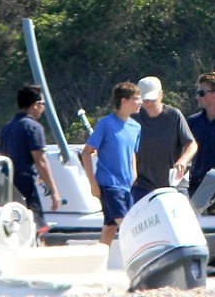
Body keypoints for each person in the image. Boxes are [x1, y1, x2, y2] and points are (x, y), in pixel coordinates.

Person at [81, 82, 142, 246]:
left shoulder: (136, 127)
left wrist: (134, 174)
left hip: (126, 185)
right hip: (109, 184)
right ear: (124, 101)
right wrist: (93, 183)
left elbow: (132, 153)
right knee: (127, 225)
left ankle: (99, 262)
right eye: (136, 99)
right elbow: (86, 153)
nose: (140, 102)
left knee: (110, 227)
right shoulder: (105, 124)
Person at [0, 84, 62, 231]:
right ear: (35, 105)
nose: (43, 108)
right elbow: (40, 161)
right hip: (26, 185)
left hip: (7, 185)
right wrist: (54, 191)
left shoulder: (7, 127)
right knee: (37, 228)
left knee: (14, 229)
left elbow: (3, 158)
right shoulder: (33, 127)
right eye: (42, 104)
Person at [130, 76, 198, 202]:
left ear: (161, 95)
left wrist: (183, 160)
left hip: (173, 185)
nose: (148, 103)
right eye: (144, 100)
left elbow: (191, 144)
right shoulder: (133, 118)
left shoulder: (174, 116)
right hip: (142, 187)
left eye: (151, 99)